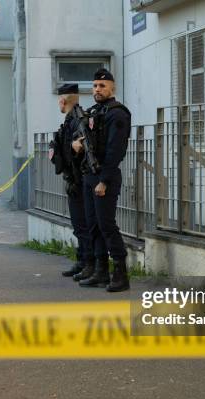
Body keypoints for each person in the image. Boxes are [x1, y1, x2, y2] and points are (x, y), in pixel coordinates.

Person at [72, 68, 131, 292]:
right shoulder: (94, 112)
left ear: (112, 88)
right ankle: (100, 271)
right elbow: (84, 139)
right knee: (92, 225)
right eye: (95, 85)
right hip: (90, 175)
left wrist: (104, 180)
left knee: (107, 225)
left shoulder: (118, 113)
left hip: (105, 176)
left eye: (102, 86)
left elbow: (116, 150)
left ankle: (120, 273)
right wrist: (75, 144)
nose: (97, 89)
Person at [49, 83, 94, 279]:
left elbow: (78, 151)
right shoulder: (70, 121)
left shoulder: (78, 121)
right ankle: (82, 261)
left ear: (62, 100)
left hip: (80, 180)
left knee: (84, 226)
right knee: (79, 225)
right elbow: (60, 147)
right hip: (74, 180)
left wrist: (66, 148)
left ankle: (89, 264)